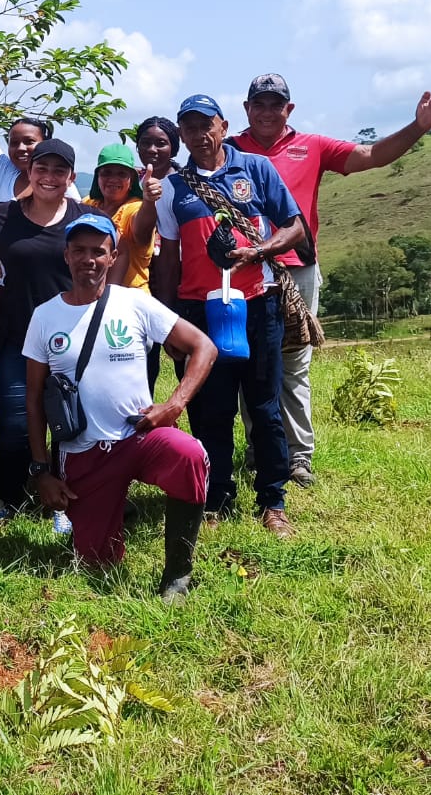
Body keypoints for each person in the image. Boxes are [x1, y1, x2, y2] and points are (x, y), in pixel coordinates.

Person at [229, 73, 431, 487]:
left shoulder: (312, 147)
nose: (265, 112)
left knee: (294, 363)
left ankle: (297, 457)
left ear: (288, 110)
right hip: (243, 269)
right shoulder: (229, 152)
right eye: (257, 104)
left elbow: (372, 155)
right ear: (246, 109)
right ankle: (261, 450)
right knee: (251, 362)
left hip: (297, 267)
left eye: (274, 104)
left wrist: (418, 127)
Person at [23, 213, 217, 599]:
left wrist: (175, 404)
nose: (88, 259)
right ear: (66, 256)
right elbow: (33, 399)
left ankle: (177, 574)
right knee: (96, 565)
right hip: (84, 453)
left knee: (190, 454)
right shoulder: (45, 316)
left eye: (99, 251)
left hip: (139, 436)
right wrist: (42, 471)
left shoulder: (135, 303)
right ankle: (110, 506)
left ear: (113, 257)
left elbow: (204, 347)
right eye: (79, 250)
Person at [146, 94, 307, 538]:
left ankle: (272, 502)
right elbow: (167, 262)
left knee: (265, 408)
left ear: (223, 125)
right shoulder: (173, 189)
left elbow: (295, 226)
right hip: (198, 312)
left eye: (207, 125)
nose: (199, 136)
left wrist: (258, 251)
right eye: (189, 128)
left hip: (257, 304)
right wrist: (168, 322)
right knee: (209, 412)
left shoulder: (255, 169)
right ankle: (216, 498)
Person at [0, 138, 81, 525]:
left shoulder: (81, 219)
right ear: (29, 171)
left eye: (59, 170)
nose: (50, 177)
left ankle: (65, 503)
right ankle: (10, 496)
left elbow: (110, 263)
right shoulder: (4, 216)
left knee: (69, 423)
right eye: (42, 168)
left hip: (73, 338)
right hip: (18, 338)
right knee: (13, 423)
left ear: (70, 177)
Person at [0, 38, 80, 203]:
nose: (21, 148)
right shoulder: (4, 172)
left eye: (29, 141)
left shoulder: (61, 184)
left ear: (45, 143)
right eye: (14, 142)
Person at [127, 116, 181, 392]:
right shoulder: (128, 181)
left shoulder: (186, 182)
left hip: (178, 279)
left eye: (161, 143)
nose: (152, 150)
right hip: (139, 281)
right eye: (145, 143)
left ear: (174, 147)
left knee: (182, 352)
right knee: (143, 359)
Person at [82, 142, 146, 290]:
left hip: (131, 296)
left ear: (131, 181)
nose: (113, 179)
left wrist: (149, 202)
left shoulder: (136, 207)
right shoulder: (88, 204)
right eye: (107, 172)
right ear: (97, 177)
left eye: (121, 174)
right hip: (91, 297)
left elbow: (142, 230)